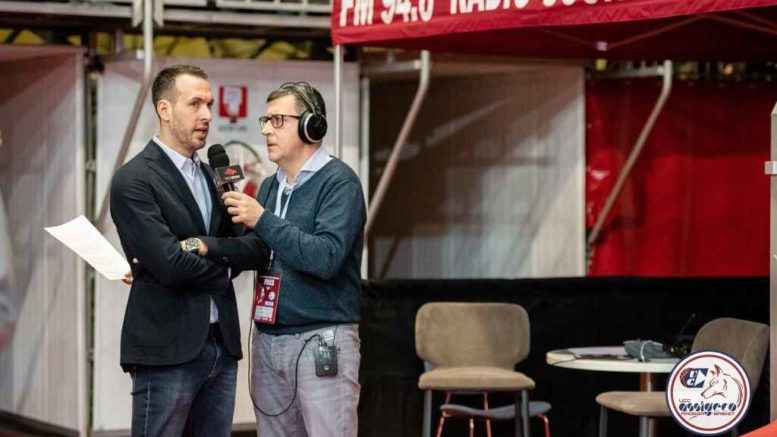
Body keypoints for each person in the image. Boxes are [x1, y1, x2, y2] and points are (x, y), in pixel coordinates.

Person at [194, 81, 366, 437]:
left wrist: (262, 218)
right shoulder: (271, 187)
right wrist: (197, 251)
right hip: (269, 340)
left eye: (279, 121)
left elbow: (326, 257)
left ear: (310, 126)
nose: (268, 130)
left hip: (321, 338)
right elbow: (257, 251)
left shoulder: (339, 183)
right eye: (265, 121)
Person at [109, 64, 255, 437]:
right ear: (164, 109)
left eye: (209, 105)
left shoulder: (214, 175)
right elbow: (170, 264)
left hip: (221, 347)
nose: (207, 115)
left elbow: (250, 249)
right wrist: (223, 267)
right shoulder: (134, 179)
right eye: (195, 104)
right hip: (165, 351)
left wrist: (209, 249)